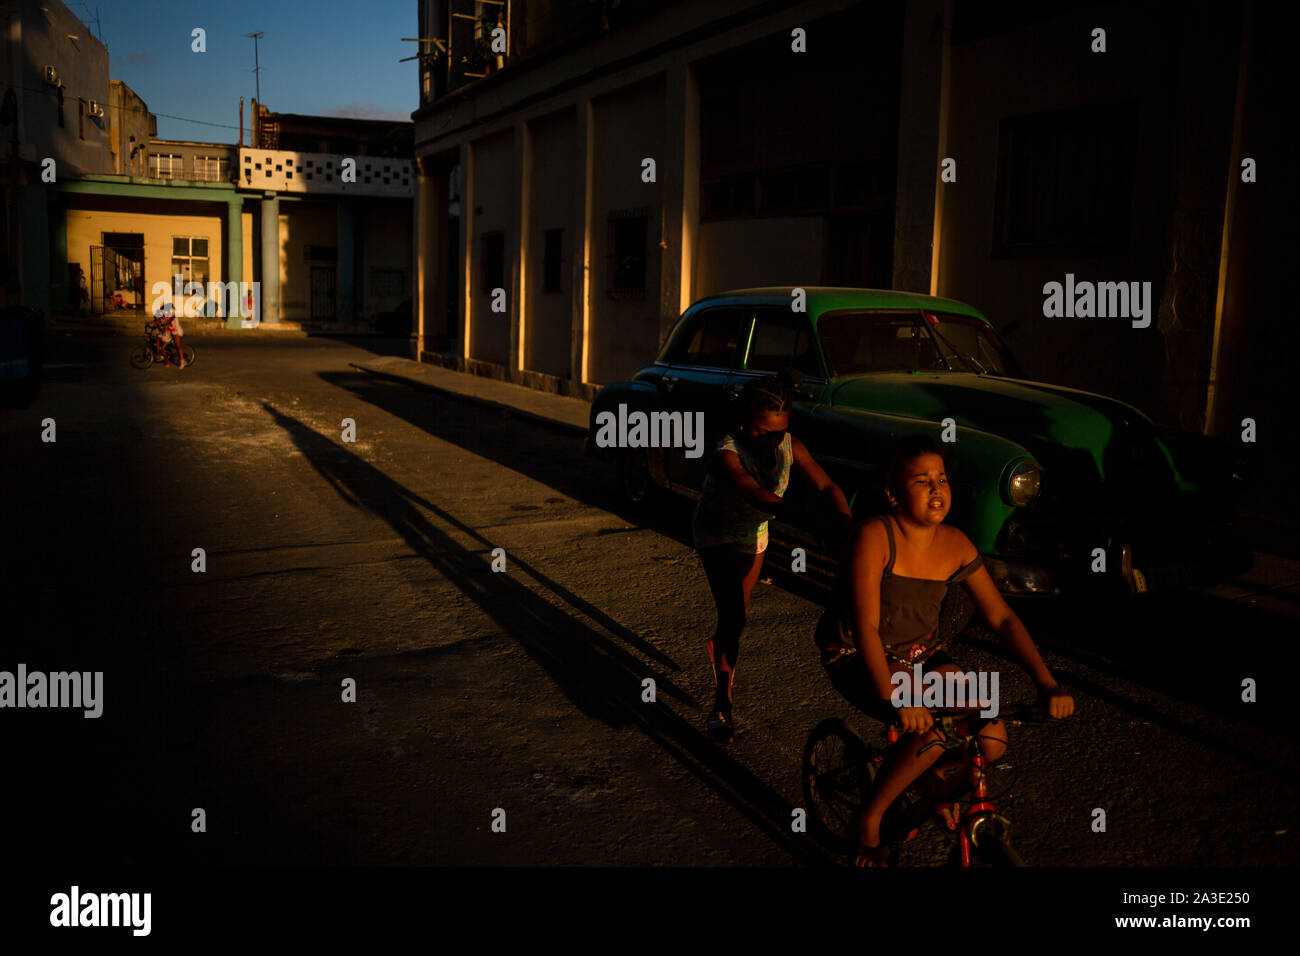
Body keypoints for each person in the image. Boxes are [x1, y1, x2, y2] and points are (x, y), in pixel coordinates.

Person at [815, 435, 1073, 865]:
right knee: (933, 726)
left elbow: (1002, 618)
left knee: (990, 738)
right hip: (860, 655)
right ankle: (870, 817)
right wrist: (894, 696)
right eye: (922, 480)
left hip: (919, 655)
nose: (936, 489)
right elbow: (866, 626)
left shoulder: (956, 543)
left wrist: (1047, 684)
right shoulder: (875, 535)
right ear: (892, 493)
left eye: (942, 478)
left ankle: (929, 793)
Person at [693, 370, 852, 743]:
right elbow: (753, 492)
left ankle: (721, 648)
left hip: (755, 532)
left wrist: (846, 524)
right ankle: (722, 704)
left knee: (739, 617)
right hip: (717, 534)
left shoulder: (790, 445)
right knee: (732, 614)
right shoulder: (726, 454)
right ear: (744, 422)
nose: (772, 440)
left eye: (779, 432)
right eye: (763, 432)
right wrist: (809, 520)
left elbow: (827, 484)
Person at [152, 302, 186, 369]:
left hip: (177, 331)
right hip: (171, 332)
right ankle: (161, 355)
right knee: (159, 340)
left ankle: (183, 361)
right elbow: (159, 320)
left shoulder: (172, 315)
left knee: (178, 346)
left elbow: (168, 322)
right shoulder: (166, 316)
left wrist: (162, 324)